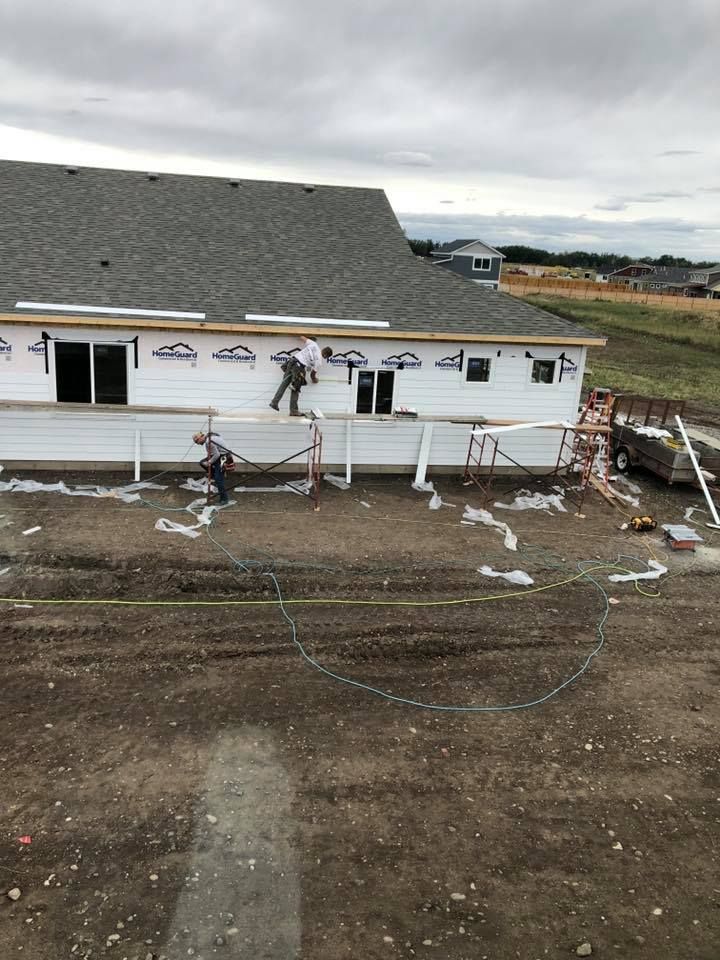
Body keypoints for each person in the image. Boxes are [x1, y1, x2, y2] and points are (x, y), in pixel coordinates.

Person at [269, 335, 333, 416]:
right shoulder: (319, 361)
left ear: (323, 349)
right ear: (326, 356)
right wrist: (315, 380)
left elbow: (302, 338)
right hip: (299, 367)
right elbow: (312, 375)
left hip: (291, 362)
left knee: (284, 384)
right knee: (295, 389)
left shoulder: (314, 345)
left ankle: (274, 402)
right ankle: (293, 411)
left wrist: (304, 336)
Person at [192, 430, 231, 504]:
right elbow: (213, 452)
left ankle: (224, 499)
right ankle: (213, 474)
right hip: (219, 454)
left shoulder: (208, 442)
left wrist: (209, 462)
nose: (198, 444)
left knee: (219, 480)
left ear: (201, 437)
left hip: (223, 457)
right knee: (202, 463)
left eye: (197, 442)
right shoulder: (211, 436)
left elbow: (216, 455)